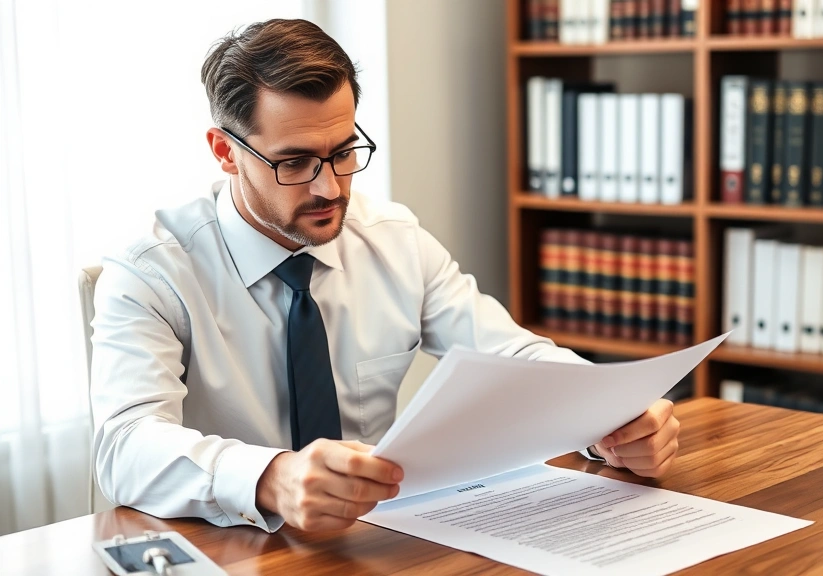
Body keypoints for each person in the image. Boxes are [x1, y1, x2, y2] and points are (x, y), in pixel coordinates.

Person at [90, 18, 680, 534]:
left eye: (344, 152)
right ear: (225, 151)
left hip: (375, 539)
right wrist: (272, 478)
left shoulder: (393, 240)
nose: (330, 188)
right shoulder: (150, 275)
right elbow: (125, 446)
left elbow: (513, 357)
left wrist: (606, 420)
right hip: (233, 545)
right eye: (294, 162)